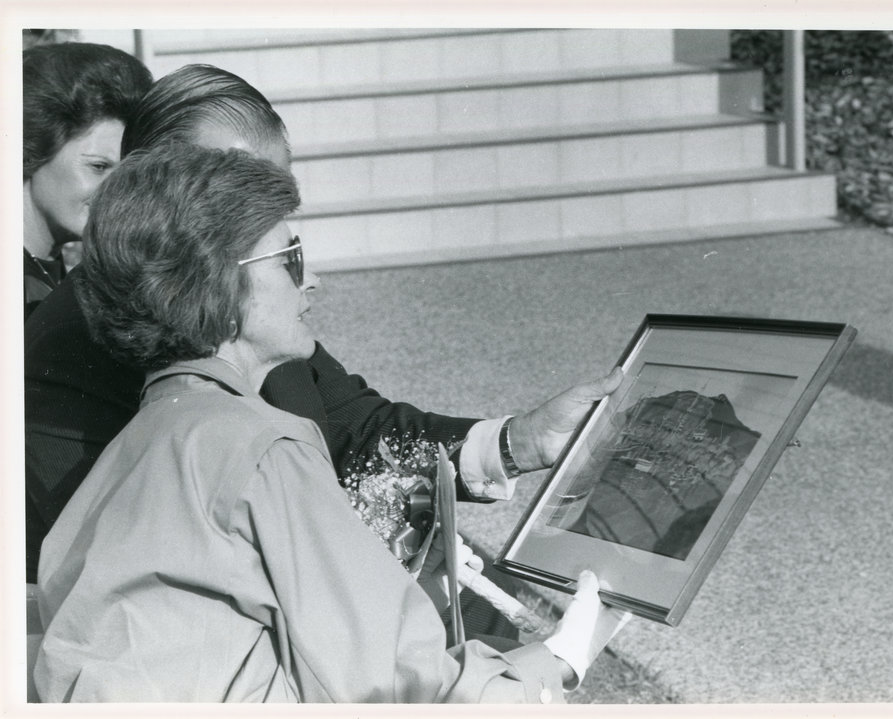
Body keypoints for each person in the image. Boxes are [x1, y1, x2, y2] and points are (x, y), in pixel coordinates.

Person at [32, 143, 630, 702]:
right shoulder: (263, 446)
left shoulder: (134, 446)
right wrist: (562, 659)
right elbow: (399, 691)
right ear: (221, 285)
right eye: (290, 260)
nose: (312, 278)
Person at [24, 64, 621, 598]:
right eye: (236, 201)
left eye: (274, 202)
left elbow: (359, 429)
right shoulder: (67, 350)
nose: (274, 234)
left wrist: (521, 441)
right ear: (153, 194)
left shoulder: (255, 314)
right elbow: (151, 582)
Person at [22, 41, 153, 318]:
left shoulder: (45, 267)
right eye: (98, 166)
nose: (118, 191)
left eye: (127, 173)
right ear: (32, 151)